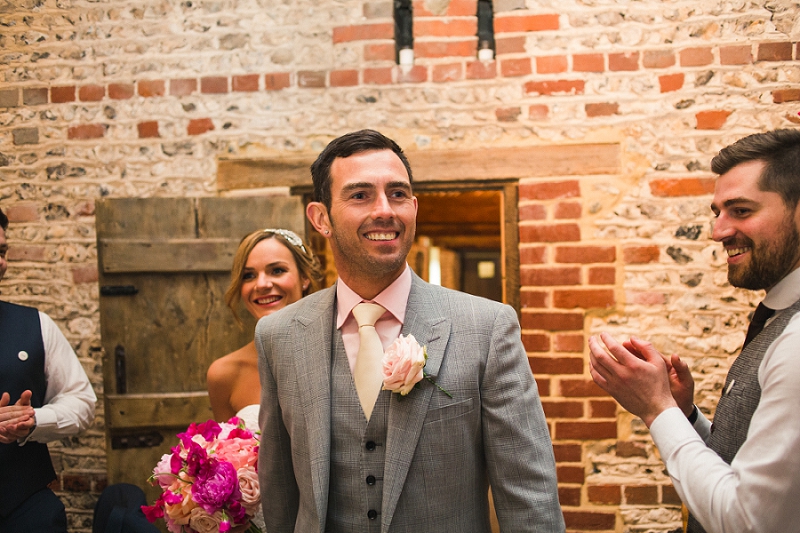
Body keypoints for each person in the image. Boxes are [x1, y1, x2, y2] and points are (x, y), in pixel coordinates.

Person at [256, 129, 564, 532]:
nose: (385, 210)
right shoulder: (278, 336)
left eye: (398, 194)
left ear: (414, 208)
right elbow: (279, 494)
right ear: (321, 218)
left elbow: (529, 496)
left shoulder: (487, 327)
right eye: (360, 195)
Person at [588, 129, 800, 533]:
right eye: (717, 212)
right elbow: (745, 472)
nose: (718, 231)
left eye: (740, 211)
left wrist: (657, 408)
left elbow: (746, 520)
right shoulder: (778, 317)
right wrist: (684, 415)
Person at [0, 206, 97, 531]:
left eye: (1, 251)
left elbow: (82, 403)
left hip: (22, 504)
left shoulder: (36, 325)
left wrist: (33, 421)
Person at [207, 227, 323, 422]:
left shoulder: (339, 355)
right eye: (248, 276)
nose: (261, 284)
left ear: (305, 278)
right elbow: (223, 451)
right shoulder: (224, 375)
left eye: (277, 271)